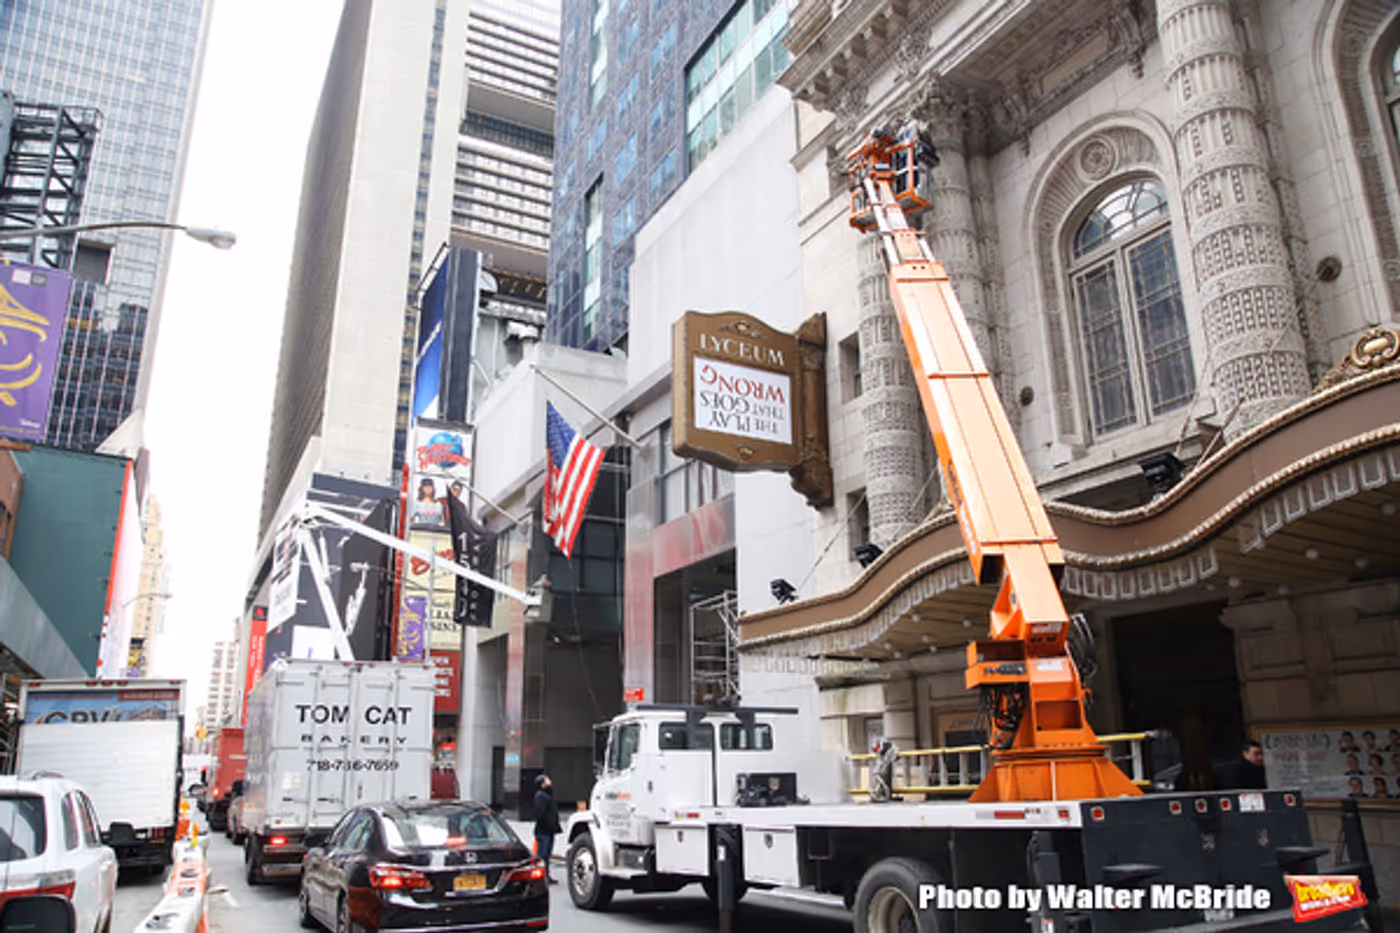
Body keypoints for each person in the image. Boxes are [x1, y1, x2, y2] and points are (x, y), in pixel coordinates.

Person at [533, 774, 562, 884]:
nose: (550, 781)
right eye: (547, 780)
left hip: (548, 831)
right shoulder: (541, 796)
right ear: (542, 784)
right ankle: (540, 876)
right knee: (542, 855)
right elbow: (540, 814)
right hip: (543, 831)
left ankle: (546, 875)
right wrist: (549, 824)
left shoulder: (547, 794)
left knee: (547, 855)